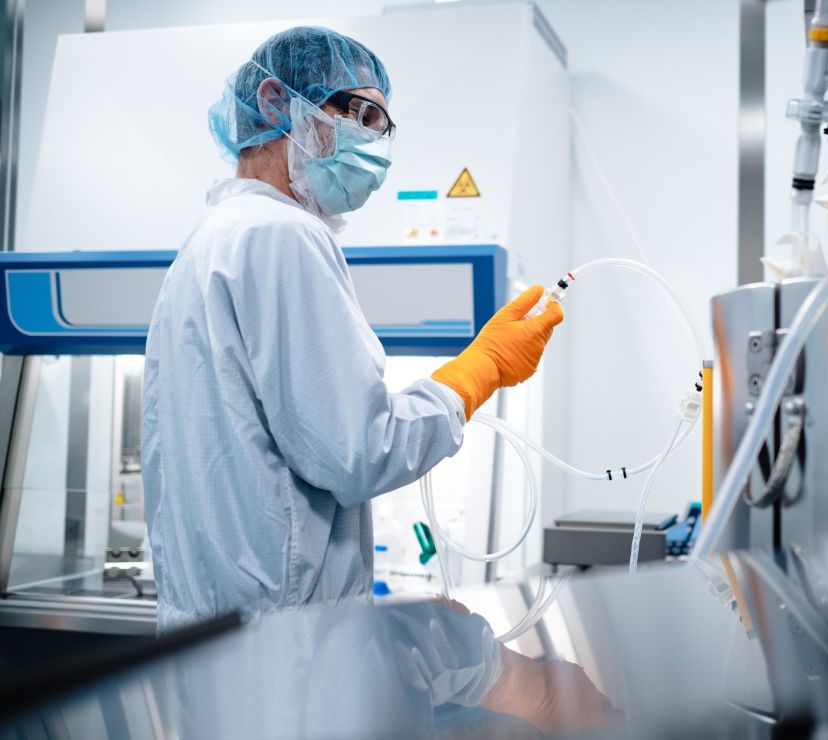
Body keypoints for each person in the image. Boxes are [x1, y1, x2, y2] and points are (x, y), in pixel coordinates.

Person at [142, 27, 563, 632]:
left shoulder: (212, 239)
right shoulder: (281, 236)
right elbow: (359, 451)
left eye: (381, 127)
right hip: (284, 650)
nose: (375, 144)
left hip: (215, 636)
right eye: (362, 113)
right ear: (274, 102)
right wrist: (482, 368)